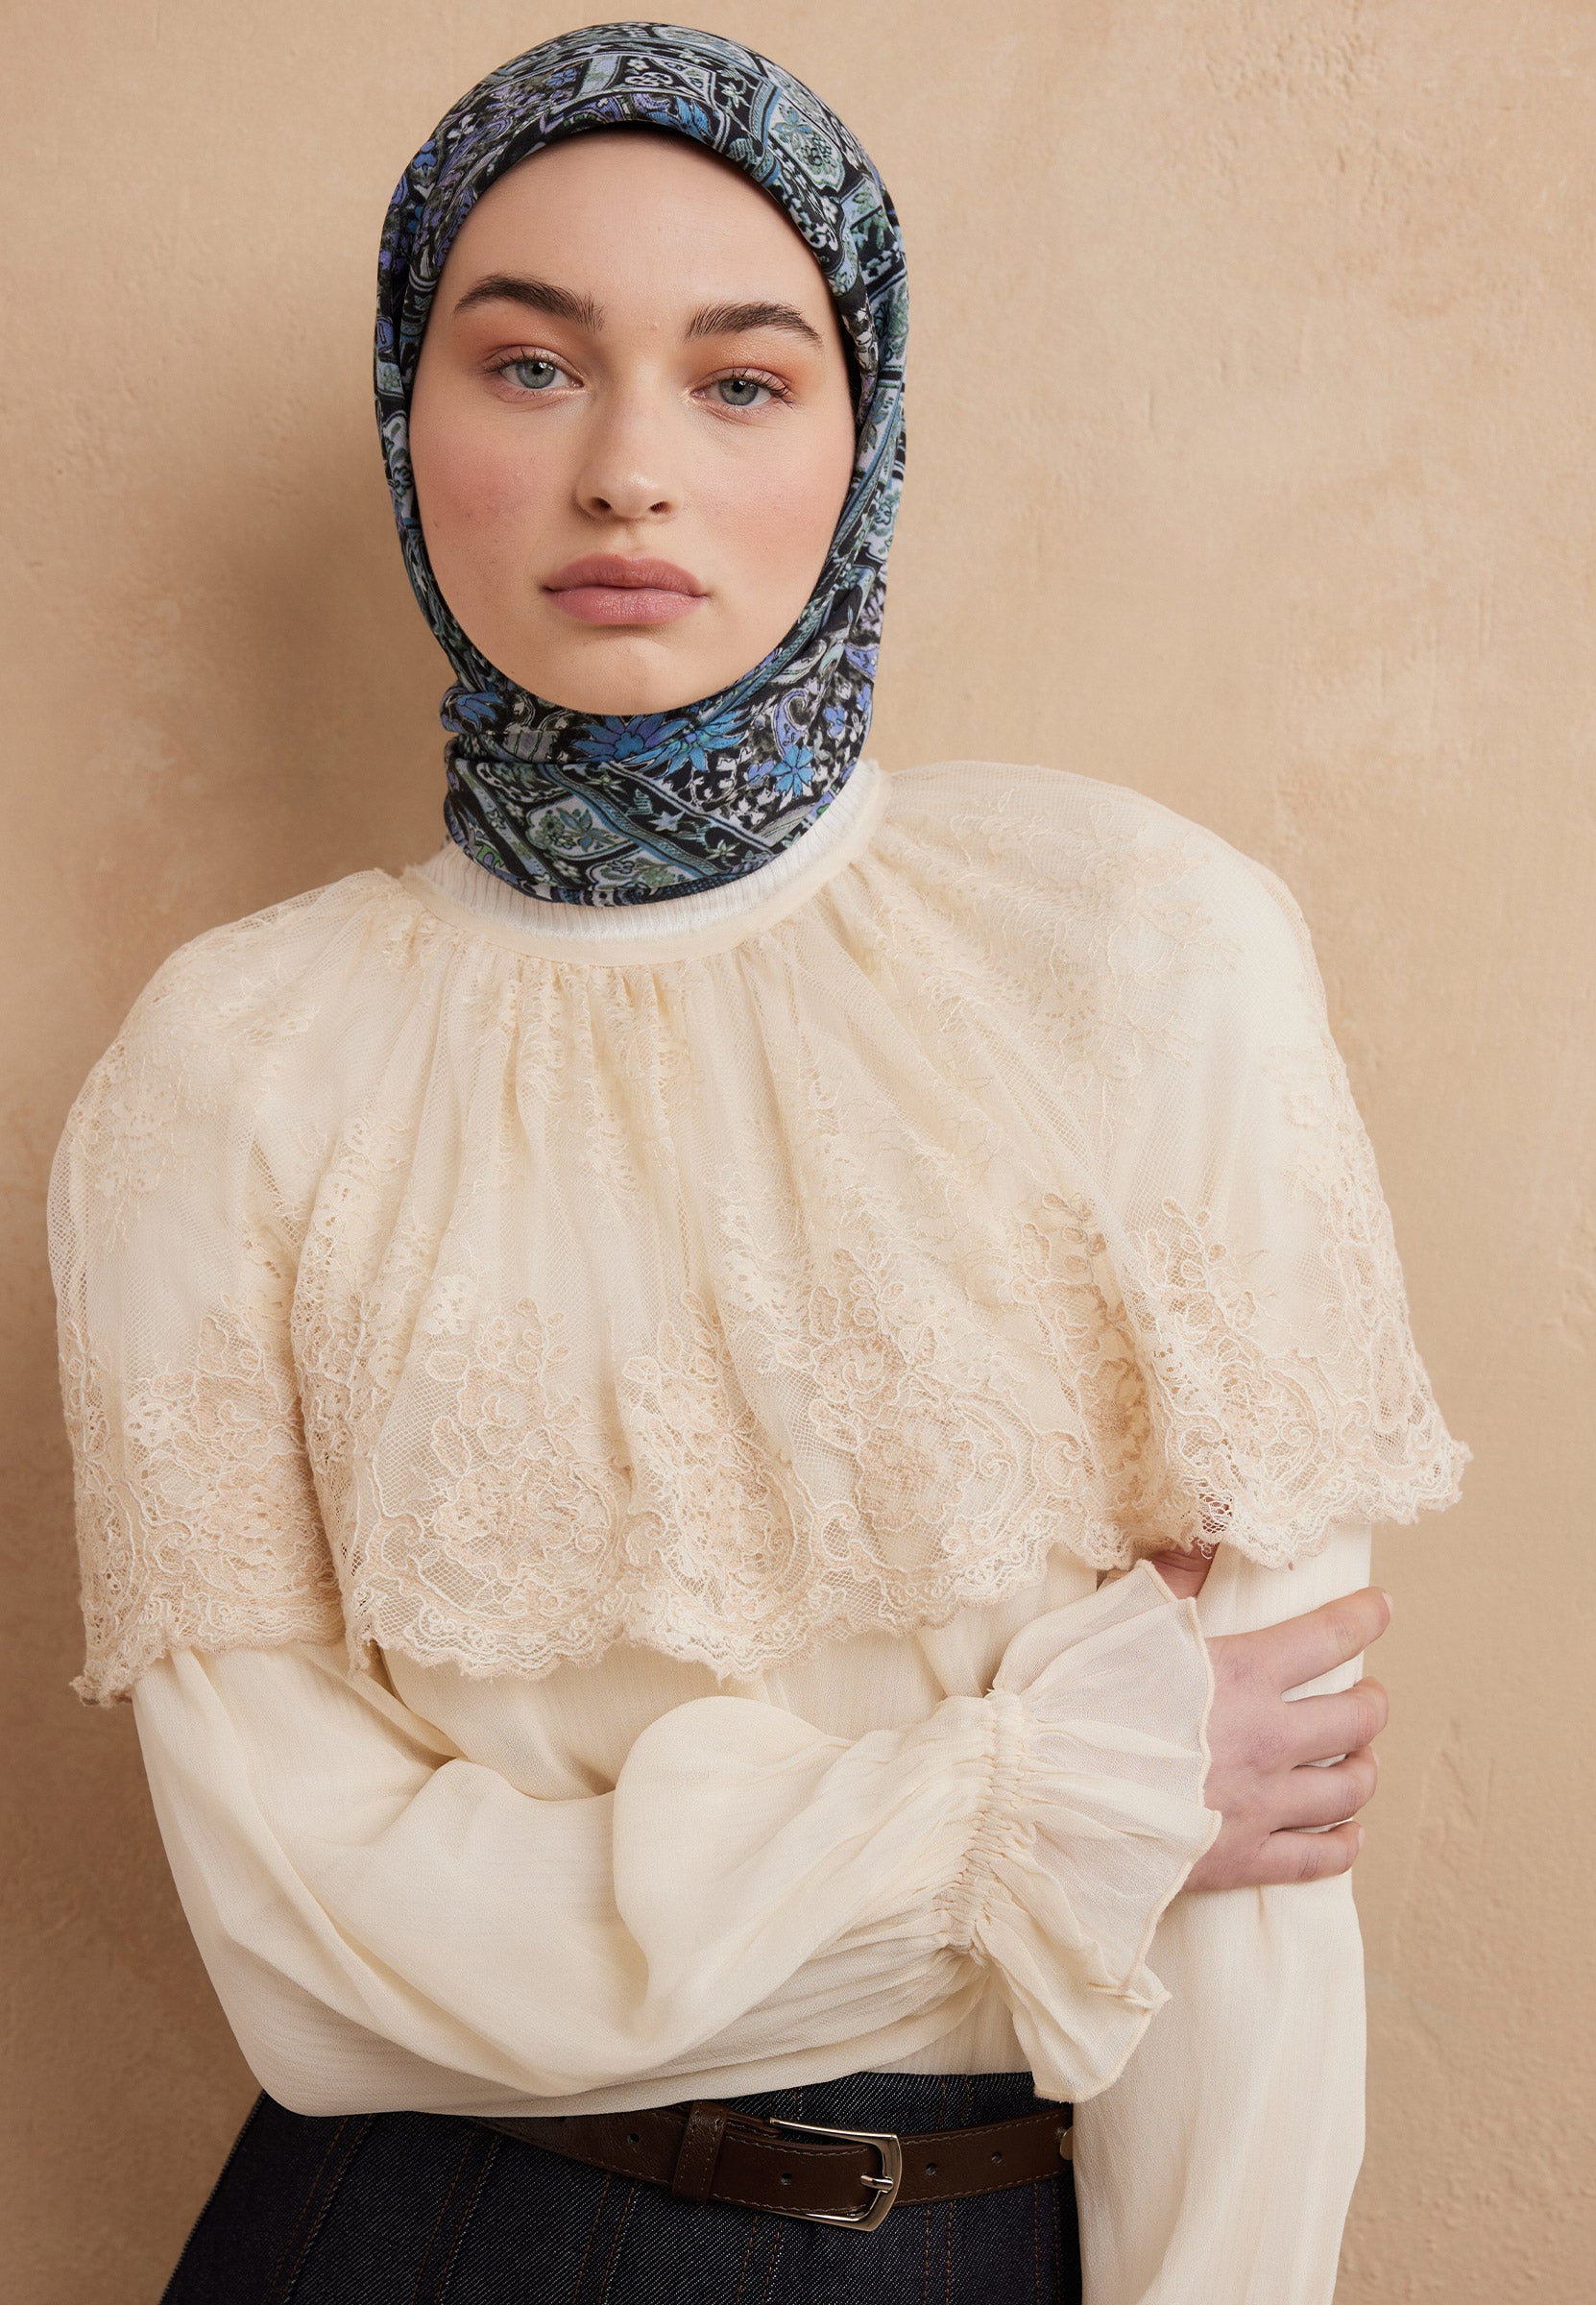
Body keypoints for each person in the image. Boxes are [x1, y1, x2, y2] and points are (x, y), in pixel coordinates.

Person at [47, 24, 1466, 2304]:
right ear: (407, 417)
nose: (628, 472)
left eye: (739, 380)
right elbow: (313, 1973)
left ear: (861, 434)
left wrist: (601, 1901)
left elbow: (1254, 1907)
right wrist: (1029, 1810)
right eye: (530, 367)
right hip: (404, 2243)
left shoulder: (1134, 952)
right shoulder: (232, 1067)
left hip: (973, 2243)